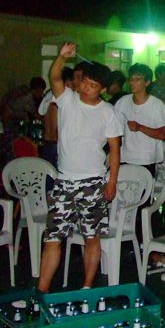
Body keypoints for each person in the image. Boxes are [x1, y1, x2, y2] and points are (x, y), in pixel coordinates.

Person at [37, 43, 122, 292]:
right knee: (52, 238)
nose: (86, 87)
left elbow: (115, 150)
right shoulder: (67, 99)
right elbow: (54, 77)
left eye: (93, 85)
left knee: (91, 237)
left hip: (93, 182)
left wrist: (112, 182)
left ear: (102, 90)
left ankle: (87, 287)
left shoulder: (108, 113)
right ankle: (41, 291)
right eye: (84, 82)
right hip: (64, 181)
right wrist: (62, 57)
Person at [113, 63, 165, 177]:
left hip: (147, 159)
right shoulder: (122, 102)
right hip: (125, 158)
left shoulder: (157, 105)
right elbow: (114, 130)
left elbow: (162, 135)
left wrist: (139, 127)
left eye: (137, 79)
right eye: (131, 79)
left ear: (147, 82)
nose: (132, 83)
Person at [37, 67, 74, 166]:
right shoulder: (64, 99)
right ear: (67, 83)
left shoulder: (49, 95)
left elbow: (41, 114)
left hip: (46, 143)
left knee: (48, 173)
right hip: (58, 145)